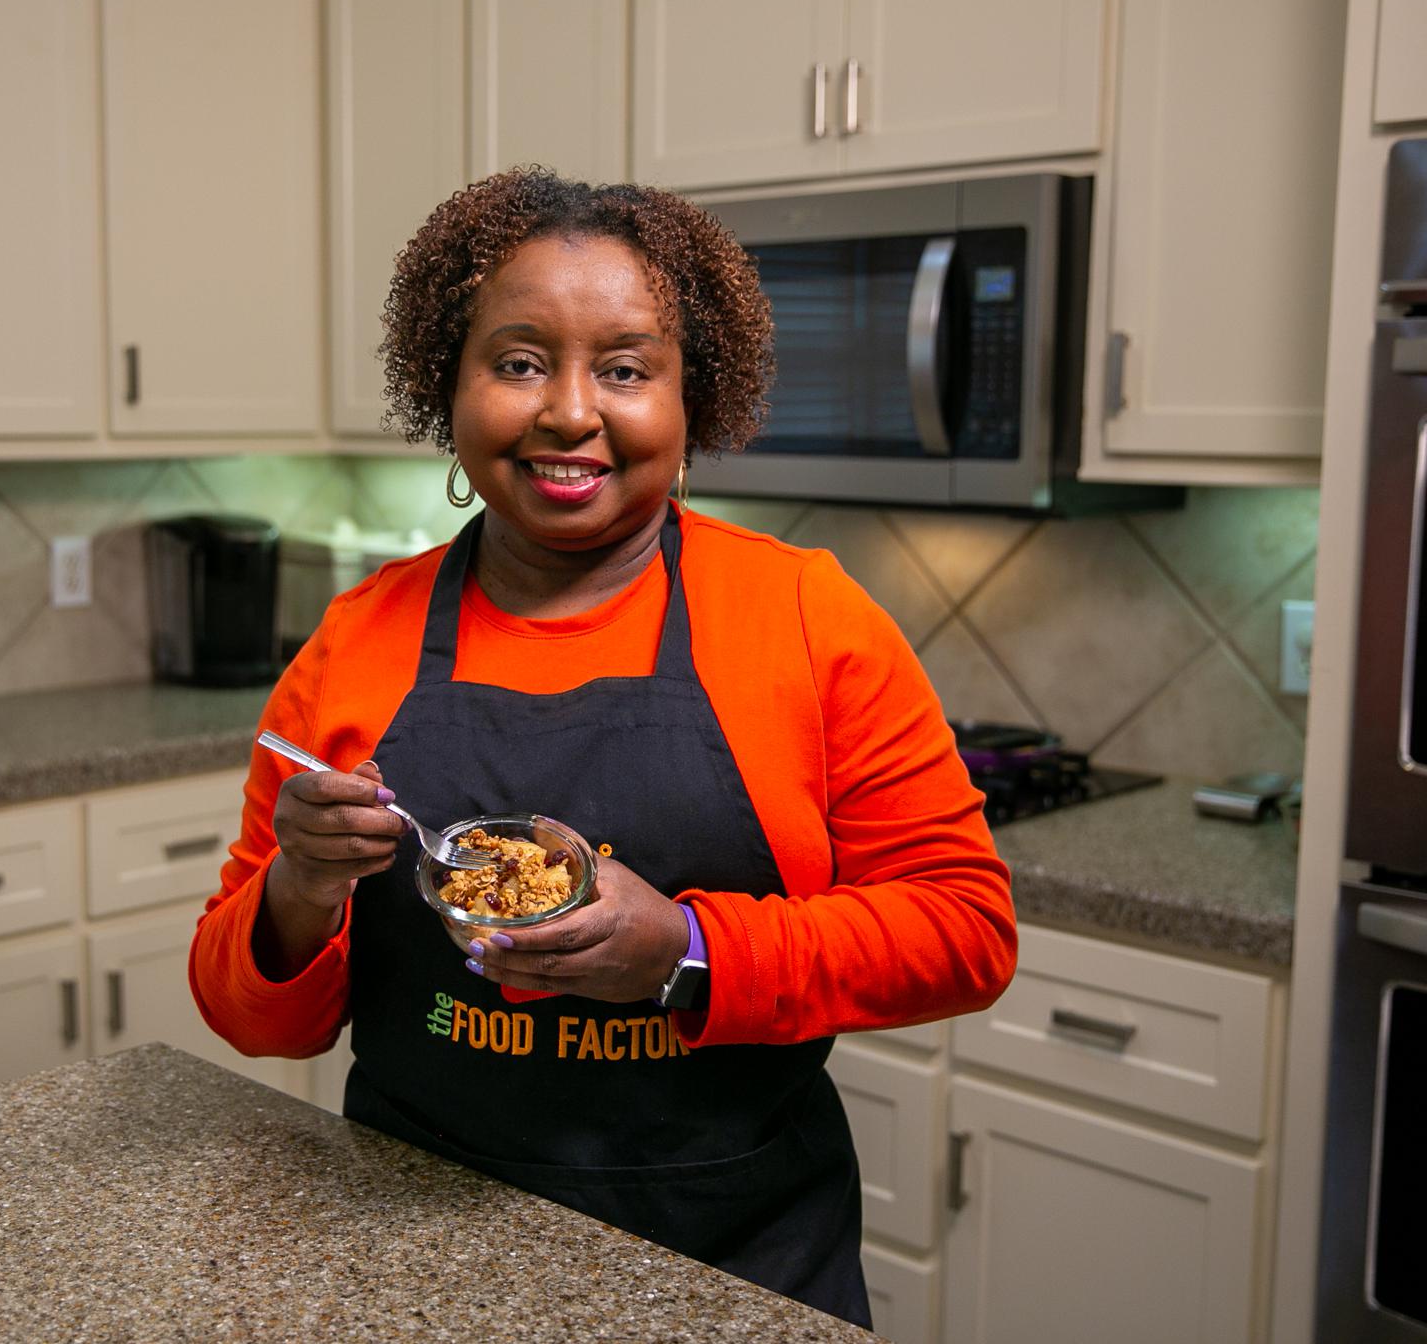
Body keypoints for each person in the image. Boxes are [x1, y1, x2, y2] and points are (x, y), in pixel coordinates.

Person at [190, 168, 1016, 1327]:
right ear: (451, 382)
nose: (570, 411)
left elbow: (966, 932)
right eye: (519, 360)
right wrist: (303, 880)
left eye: (626, 368)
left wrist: (683, 948)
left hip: (736, 1258)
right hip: (412, 1254)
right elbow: (251, 1016)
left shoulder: (805, 616)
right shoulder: (356, 638)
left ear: (693, 397)